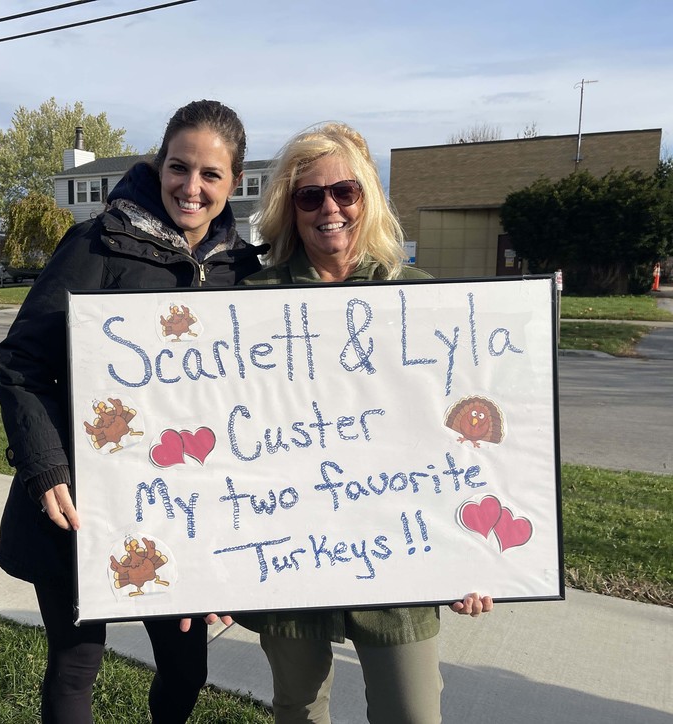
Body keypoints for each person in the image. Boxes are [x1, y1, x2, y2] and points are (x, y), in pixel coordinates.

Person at [0, 99, 264, 724]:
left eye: (210, 175)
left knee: (186, 668)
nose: (190, 187)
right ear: (159, 163)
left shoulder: (242, 271)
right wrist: (45, 467)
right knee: (76, 664)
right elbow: (22, 363)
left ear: (234, 182)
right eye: (178, 167)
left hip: (185, 505)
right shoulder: (96, 243)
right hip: (84, 500)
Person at [235, 122, 494, 724]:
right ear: (289, 209)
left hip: (399, 543)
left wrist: (476, 557)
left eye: (344, 192)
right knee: (299, 708)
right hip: (291, 542)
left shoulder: (421, 298)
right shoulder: (249, 303)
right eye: (310, 196)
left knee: (413, 712)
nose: (329, 208)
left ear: (367, 198)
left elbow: (468, 440)